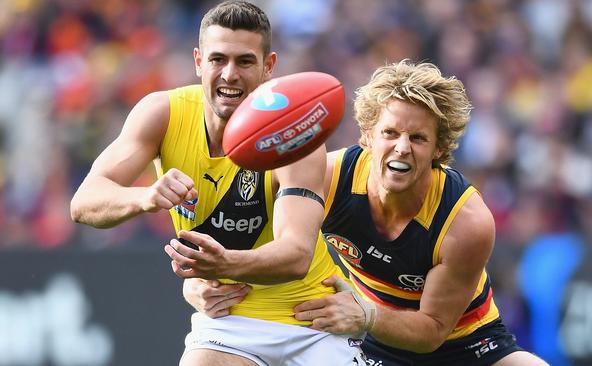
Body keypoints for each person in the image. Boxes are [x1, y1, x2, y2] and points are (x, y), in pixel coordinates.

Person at [184, 60, 548, 365]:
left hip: (468, 342)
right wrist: (201, 282)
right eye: (390, 133)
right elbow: (257, 239)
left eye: (418, 138)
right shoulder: (329, 178)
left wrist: (366, 313)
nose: (401, 148)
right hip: (365, 342)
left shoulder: (465, 221)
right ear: (368, 136)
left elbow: (433, 330)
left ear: (439, 149)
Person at [69, 1, 365, 365]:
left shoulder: (294, 133)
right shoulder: (163, 113)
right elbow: (84, 202)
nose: (229, 74)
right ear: (198, 61)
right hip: (230, 323)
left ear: (268, 67)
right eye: (217, 59)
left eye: (244, 61)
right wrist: (145, 196)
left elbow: (297, 255)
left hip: (314, 320)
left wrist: (221, 265)